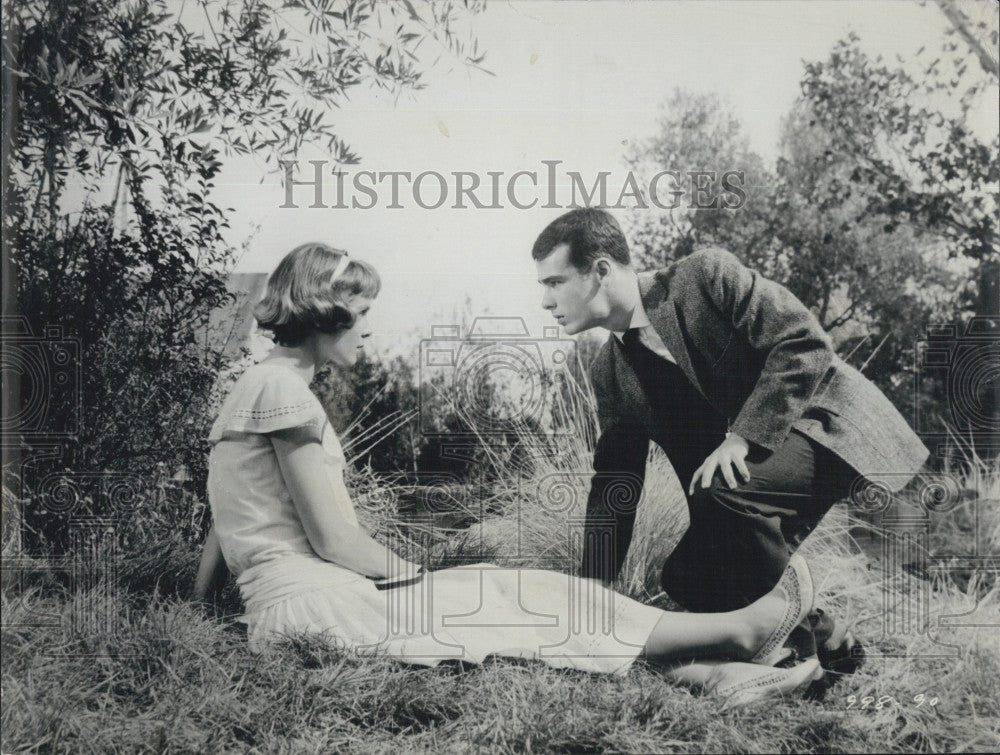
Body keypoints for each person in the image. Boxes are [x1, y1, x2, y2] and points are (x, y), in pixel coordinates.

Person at [193, 241, 825, 705]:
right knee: (510, 597)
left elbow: (226, 524)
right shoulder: (287, 396)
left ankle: (713, 675)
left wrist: (203, 605)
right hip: (320, 609)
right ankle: (745, 630)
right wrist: (419, 578)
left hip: (286, 611)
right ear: (325, 313)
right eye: (361, 312)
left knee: (516, 618)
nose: (369, 326)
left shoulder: (251, 387)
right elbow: (335, 542)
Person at [531, 208, 930, 675]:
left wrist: (740, 439)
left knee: (725, 492)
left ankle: (795, 662)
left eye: (555, 282)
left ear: (600, 271)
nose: (545, 300)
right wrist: (592, 589)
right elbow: (615, 485)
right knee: (685, 577)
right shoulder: (610, 372)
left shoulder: (702, 276)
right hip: (752, 476)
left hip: (827, 426)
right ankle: (825, 635)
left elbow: (804, 343)